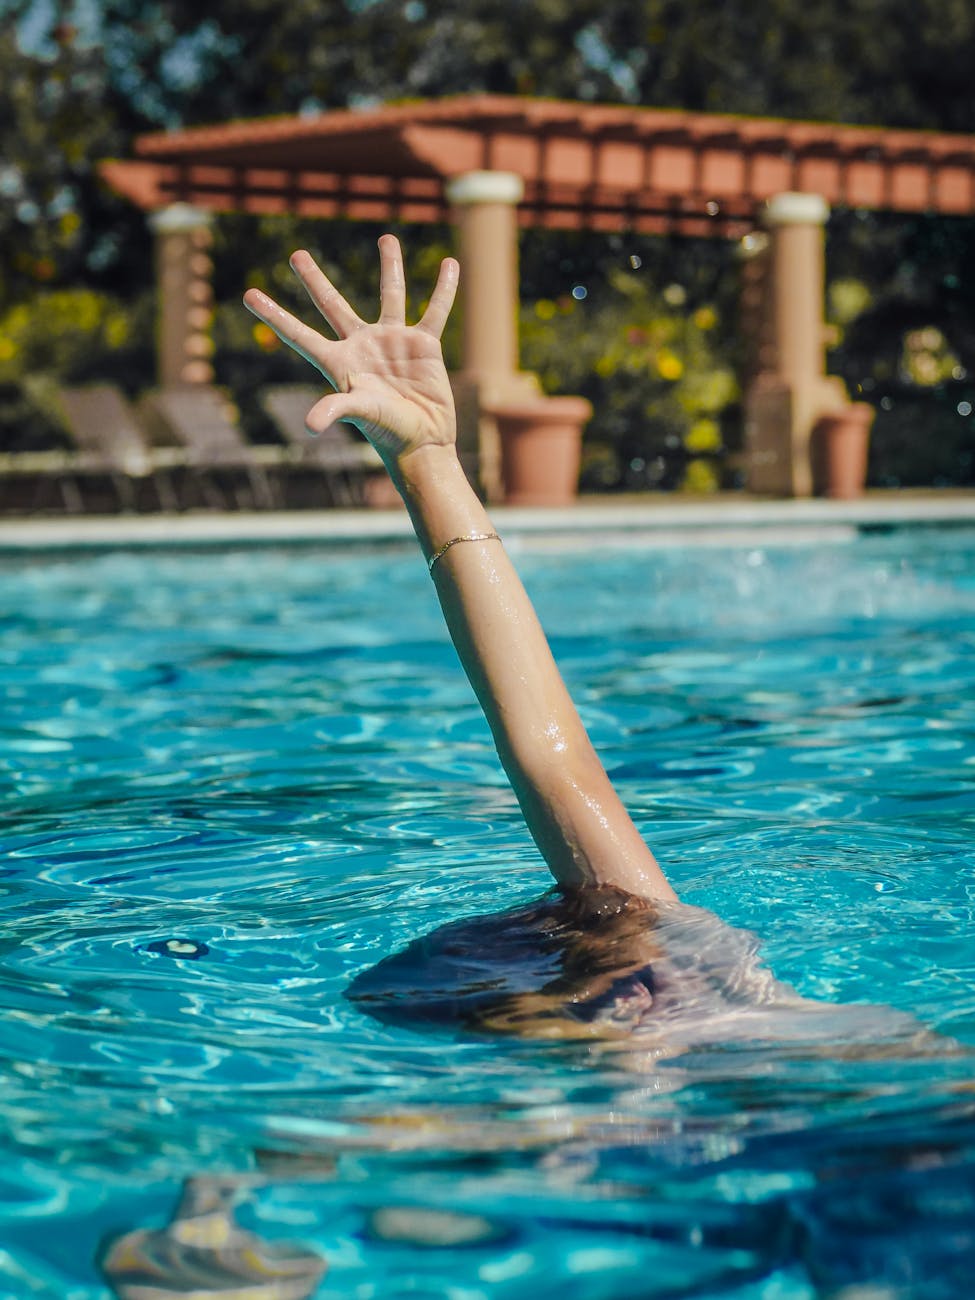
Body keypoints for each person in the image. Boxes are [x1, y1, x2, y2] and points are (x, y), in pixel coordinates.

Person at [243, 239, 942, 1054]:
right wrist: (430, 464)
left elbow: (556, 766)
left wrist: (430, 466)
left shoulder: (706, 985)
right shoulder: (719, 982)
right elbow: (557, 768)